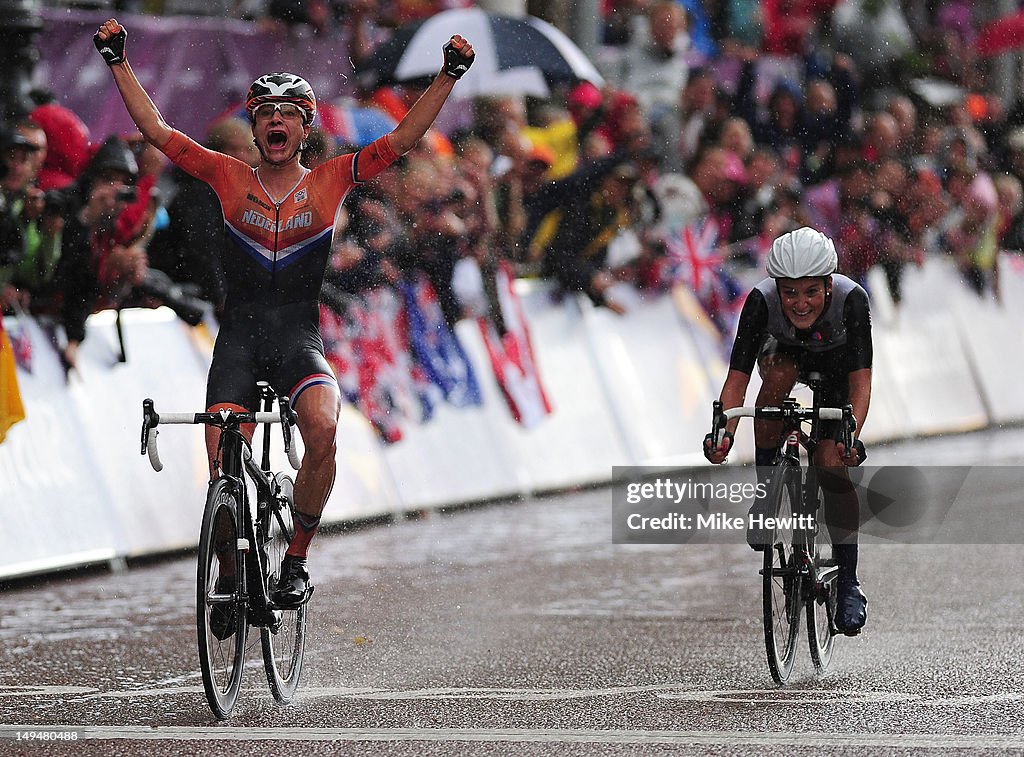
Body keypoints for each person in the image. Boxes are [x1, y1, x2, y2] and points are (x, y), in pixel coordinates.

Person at [93, 18, 475, 609]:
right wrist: (119, 62)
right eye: (265, 112)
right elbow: (158, 133)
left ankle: (295, 559)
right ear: (254, 125)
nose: (276, 120)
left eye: (288, 112)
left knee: (324, 425)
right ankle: (228, 571)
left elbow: (400, 143)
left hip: (298, 339)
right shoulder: (227, 175)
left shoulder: (331, 180)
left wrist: (447, 78)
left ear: (304, 126)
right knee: (222, 463)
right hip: (238, 342)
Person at [703, 227, 871, 635]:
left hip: (836, 366)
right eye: (790, 292)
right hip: (783, 357)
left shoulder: (852, 300)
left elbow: (860, 385)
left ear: (829, 284)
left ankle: (849, 583)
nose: (799, 303)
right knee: (775, 380)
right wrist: (723, 430)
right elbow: (737, 381)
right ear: (776, 287)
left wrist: (849, 437)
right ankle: (766, 496)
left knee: (832, 464)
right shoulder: (760, 301)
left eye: (811, 292)